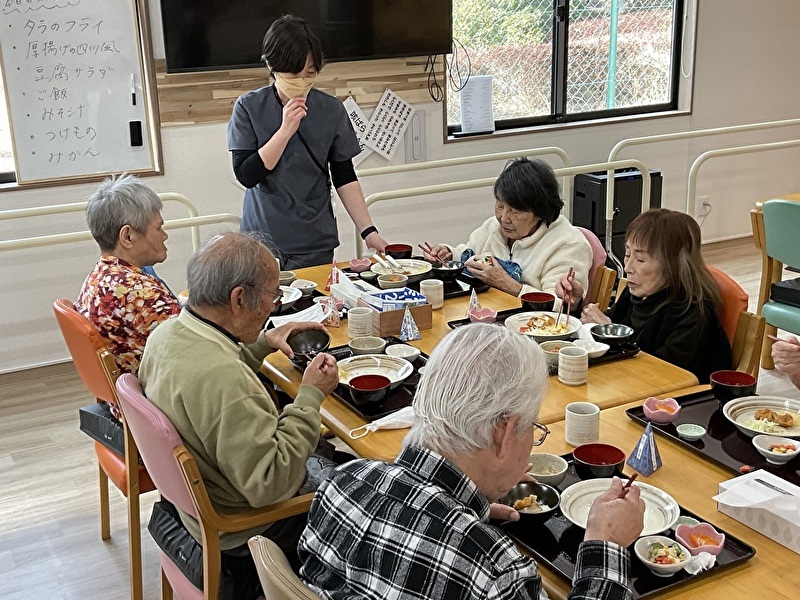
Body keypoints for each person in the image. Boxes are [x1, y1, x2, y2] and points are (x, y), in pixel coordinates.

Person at [299, 323, 645, 600]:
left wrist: (467, 511)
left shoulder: (343, 482)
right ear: (504, 433)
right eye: (533, 430)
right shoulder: (496, 573)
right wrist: (605, 548)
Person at [138, 232, 341, 599]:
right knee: (369, 480)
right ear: (238, 298)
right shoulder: (225, 381)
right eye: (272, 296)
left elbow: (215, 382)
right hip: (248, 528)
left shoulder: (167, 334)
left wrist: (264, 341)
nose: (272, 306)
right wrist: (311, 395)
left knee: (332, 454)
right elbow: (270, 483)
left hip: (194, 512)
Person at [227, 14, 387, 269]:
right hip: (263, 242)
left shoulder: (331, 110)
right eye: (293, 72)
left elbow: (344, 175)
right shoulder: (248, 107)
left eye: (309, 73)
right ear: (272, 66)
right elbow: (246, 174)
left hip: (315, 242)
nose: (301, 81)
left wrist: (369, 231)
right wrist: (284, 131)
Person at [559, 208, 731, 383]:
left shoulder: (692, 311)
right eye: (627, 255)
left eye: (640, 260)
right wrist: (575, 305)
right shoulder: (639, 292)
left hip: (680, 400)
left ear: (674, 265)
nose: (627, 268)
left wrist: (611, 332)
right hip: (630, 383)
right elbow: (607, 327)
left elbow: (663, 375)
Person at [423, 157, 592, 301]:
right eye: (500, 205)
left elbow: (559, 308)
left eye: (515, 211)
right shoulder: (493, 227)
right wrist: (449, 254)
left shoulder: (569, 245)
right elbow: (469, 253)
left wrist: (508, 285)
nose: (504, 218)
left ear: (541, 212)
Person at [75, 173, 180, 375]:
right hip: (158, 397)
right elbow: (199, 348)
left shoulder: (99, 277)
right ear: (128, 236)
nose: (165, 236)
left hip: (128, 396)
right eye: (158, 228)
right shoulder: (140, 293)